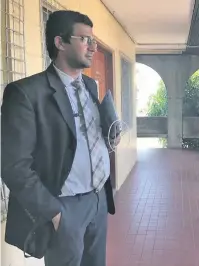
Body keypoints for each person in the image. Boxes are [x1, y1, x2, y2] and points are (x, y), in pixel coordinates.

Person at [1, 10, 119, 266]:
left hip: (98, 200)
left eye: (94, 40)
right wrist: (53, 213)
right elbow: (13, 166)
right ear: (60, 42)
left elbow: (82, 138)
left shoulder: (89, 87)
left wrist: (109, 138)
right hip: (64, 207)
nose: (93, 47)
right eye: (85, 39)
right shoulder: (26, 94)